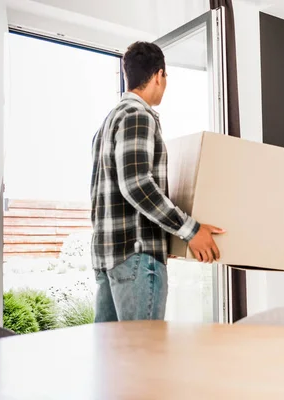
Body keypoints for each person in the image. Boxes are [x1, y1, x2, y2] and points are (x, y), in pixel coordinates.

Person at [90, 41, 224, 322]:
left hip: (110, 257)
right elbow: (137, 185)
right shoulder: (138, 116)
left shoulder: (108, 123)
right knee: (143, 361)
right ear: (159, 76)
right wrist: (190, 230)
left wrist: (165, 239)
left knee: (116, 361)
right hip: (136, 255)